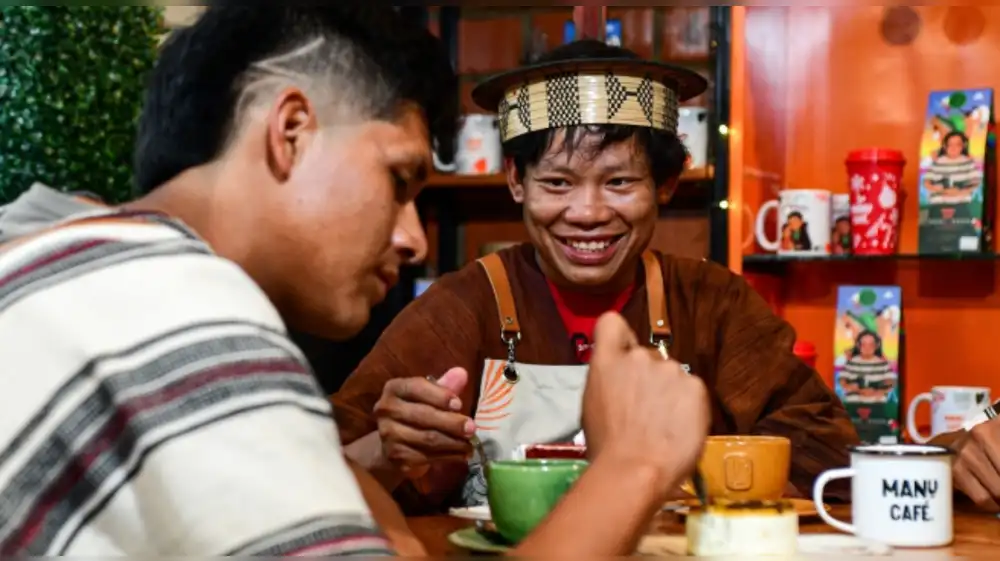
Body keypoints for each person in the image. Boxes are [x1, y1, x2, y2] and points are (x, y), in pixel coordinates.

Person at [0, 4, 711, 556]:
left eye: (618, 182)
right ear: (291, 131)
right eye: (397, 180)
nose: (411, 236)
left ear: (664, 188)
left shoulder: (77, 257)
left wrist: (364, 468)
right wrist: (636, 465)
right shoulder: (174, 304)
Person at [332, 40, 861, 512]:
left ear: (666, 183)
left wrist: (694, 461)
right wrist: (398, 448)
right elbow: (321, 465)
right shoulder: (464, 305)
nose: (587, 212)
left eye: (619, 181)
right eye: (558, 182)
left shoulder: (712, 303)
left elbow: (823, 448)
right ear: (517, 180)